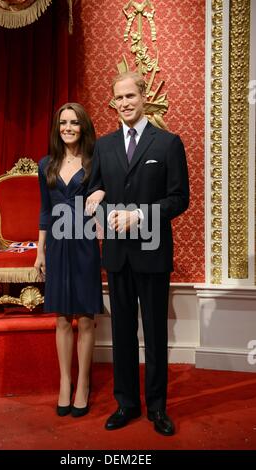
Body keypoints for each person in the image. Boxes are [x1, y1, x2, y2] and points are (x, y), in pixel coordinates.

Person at [86, 71, 189, 435]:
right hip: (117, 256)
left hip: (153, 254)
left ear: (142, 97)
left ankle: (157, 408)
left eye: (131, 96)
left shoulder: (168, 143)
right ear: (113, 102)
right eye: (119, 98)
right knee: (123, 333)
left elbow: (179, 199)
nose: (125, 103)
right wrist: (95, 200)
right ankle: (126, 403)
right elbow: (94, 192)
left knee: (155, 333)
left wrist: (139, 215)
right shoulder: (104, 145)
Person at [35, 103, 105, 418]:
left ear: (83, 127)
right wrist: (40, 250)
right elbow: (45, 211)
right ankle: (66, 381)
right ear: (57, 128)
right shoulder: (45, 164)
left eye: (74, 123)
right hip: (57, 244)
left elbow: (108, 192)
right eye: (63, 122)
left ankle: (84, 384)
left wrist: (101, 194)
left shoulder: (94, 162)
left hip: (85, 242)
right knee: (62, 317)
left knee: (86, 317)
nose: (68, 128)